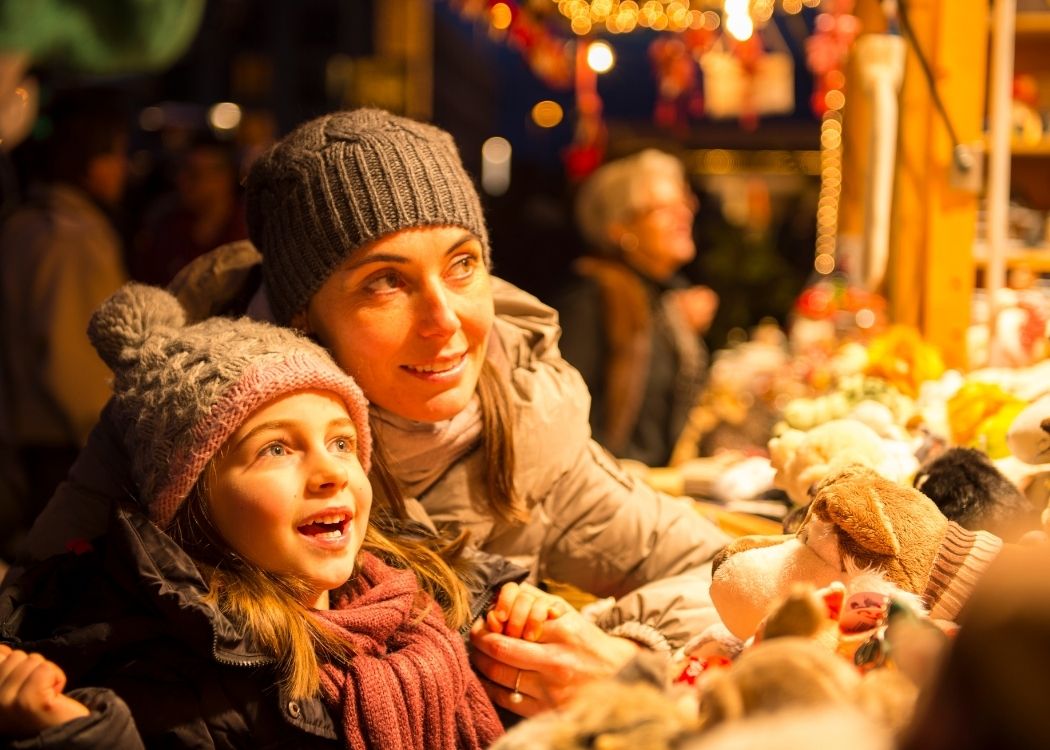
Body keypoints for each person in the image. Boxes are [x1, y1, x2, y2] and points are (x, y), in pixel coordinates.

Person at [19, 108, 731, 717]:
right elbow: (31, 610)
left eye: (462, 264)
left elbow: (726, 574)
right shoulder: (181, 419)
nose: (446, 321)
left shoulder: (523, 426)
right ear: (304, 320)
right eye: (385, 283)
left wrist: (624, 658)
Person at [0, 282, 512, 748]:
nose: (330, 472)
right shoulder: (170, 680)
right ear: (192, 500)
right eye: (275, 450)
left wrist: (526, 615)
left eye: (341, 441)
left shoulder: (421, 592)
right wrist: (85, 736)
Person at [0, 87, 130, 559]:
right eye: (116, 155)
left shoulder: (22, 223)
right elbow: (70, 358)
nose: (124, 169)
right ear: (89, 163)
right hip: (68, 445)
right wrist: (112, 445)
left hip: (24, 435)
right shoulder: (72, 237)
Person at [553, 149, 719, 467]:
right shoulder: (591, 298)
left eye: (683, 202)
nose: (683, 214)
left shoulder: (661, 297)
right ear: (620, 229)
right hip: (612, 493)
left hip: (656, 487)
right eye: (662, 208)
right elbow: (566, 422)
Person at [131, 133, 248, 287]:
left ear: (223, 179)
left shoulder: (248, 235)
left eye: (195, 174)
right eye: (181, 170)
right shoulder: (167, 228)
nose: (183, 181)